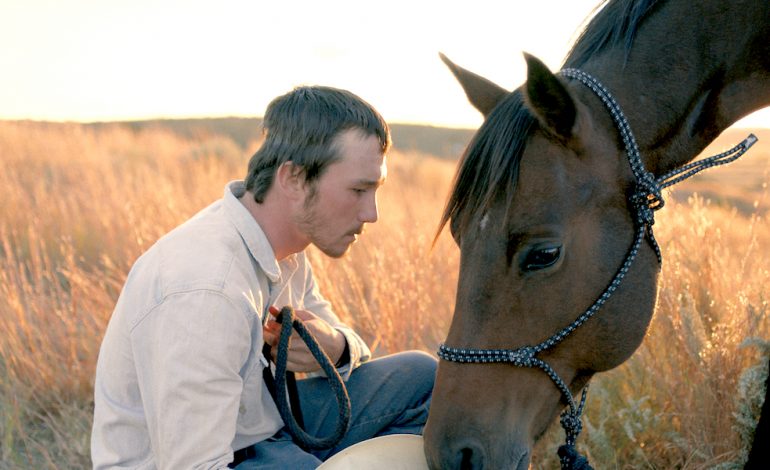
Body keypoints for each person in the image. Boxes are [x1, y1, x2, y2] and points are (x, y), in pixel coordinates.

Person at [91, 86, 437, 469]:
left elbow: (348, 349)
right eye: (358, 190)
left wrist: (334, 346)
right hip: (212, 457)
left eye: (375, 189)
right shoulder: (208, 290)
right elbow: (195, 464)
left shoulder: (287, 247)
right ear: (294, 178)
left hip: (262, 425)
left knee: (426, 380)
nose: (371, 213)